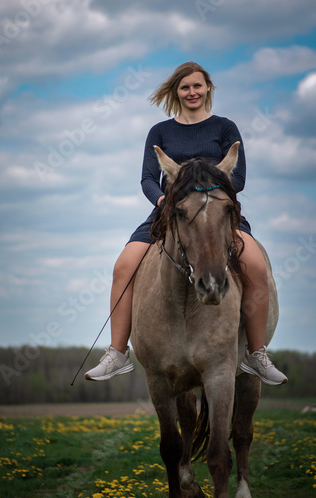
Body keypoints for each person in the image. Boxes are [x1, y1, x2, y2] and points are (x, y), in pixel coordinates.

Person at [85, 62, 287, 386]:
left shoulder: (225, 128)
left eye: (197, 86)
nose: (192, 92)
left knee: (257, 267)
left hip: (218, 213)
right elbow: (148, 178)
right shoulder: (160, 131)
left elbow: (239, 177)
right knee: (123, 267)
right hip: (170, 212)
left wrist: (210, 196)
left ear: (208, 88)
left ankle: (256, 354)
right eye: (185, 87)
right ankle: (118, 352)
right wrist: (164, 201)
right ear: (176, 92)